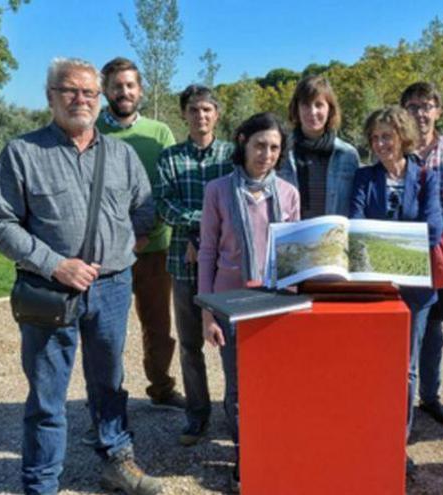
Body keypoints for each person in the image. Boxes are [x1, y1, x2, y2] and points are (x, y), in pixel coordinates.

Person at [0, 57, 162, 495]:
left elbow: (145, 209)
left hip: (112, 287)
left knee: (109, 382)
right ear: (50, 96)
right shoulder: (23, 153)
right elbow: (0, 223)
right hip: (49, 290)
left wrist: (124, 250)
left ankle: (116, 460)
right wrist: (54, 264)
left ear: (99, 99)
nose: (80, 99)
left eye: (89, 92)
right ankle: (41, 483)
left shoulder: (120, 155)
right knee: (47, 394)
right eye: (70, 90)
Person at [198, 112, 300, 492]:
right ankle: (246, 454)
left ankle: (270, 449)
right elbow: (207, 251)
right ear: (242, 142)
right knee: (238, 385)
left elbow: (293, 255)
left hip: (275, 303)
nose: (267, 154)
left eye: (274, 147)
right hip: (229, 302)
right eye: (260, 145)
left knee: (273, 383)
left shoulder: (289, 193)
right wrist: (207, 310)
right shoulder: (217, 190)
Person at [350, 105, 443, 474]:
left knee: (405, 369)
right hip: (372, 287)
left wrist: (381, 242)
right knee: (371, 366)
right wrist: (401, 244)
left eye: (386, 136)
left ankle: (396, 444)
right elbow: (354, 226)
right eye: (374, 137)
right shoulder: (364, 177)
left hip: (414, 290)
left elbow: (433, 231)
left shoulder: (425, 177)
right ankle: (366, 435)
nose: (380, 144)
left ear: (403, 137)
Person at [97, 57, 185, 411]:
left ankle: (161, 387)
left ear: (141, 90)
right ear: (106, 90)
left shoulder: (158, 133)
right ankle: (107, 398)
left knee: (158, 326)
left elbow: (168, 187)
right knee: (105, 331)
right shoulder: (92, 131)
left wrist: (150, 231)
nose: (124, 92)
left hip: (154, 248)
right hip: (106, 251)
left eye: (130, 85)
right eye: (117, 86)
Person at [156, 85, 235, 446]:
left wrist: (202, 232)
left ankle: (236, 412)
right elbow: (164, 205)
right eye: (193, 109)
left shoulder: (233, 156)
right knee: (190, 344)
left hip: (228, 265)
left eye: (206, 109)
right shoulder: (169, 159)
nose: (200, 115)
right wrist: (199, 228)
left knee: (235, 345)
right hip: (183, 264)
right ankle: (197, 414)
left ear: (216, 113)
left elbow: (234, 207)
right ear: (184, 114)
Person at [399, 81, 443, 426]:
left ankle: (430, 396)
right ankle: (398, 401)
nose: (420, 113)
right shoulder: (395, 148)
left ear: (438, 111)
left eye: (427, 106)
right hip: (399, 253)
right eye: (413, 107)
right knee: (402, 329)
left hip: (439, 251)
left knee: (435, 331)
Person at [279, 75, 361, 218]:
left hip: (333, 237)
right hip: (292, 235)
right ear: (296, 109)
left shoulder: (348, 155)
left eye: (319, 104)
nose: (312, 112)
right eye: (305, 104)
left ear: (330, 109)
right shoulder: (281, 152)